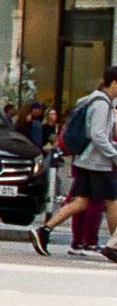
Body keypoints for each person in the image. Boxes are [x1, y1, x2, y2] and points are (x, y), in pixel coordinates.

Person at [35, 65, 117, 258]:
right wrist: (114, 155)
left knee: (80, 202)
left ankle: (44, 231)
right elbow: (98, 135)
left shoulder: (93, 99)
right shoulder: (102, 104)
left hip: (84, 160)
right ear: (114, 83)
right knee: (113, 202)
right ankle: (114, 245)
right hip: (97, 162)